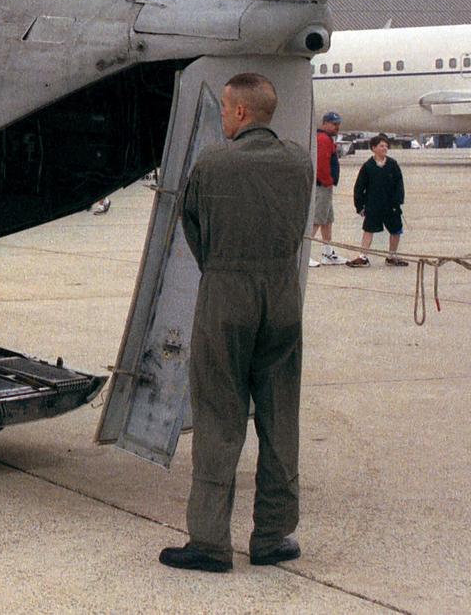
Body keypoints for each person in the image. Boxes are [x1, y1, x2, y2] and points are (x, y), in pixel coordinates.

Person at [158, 72, 308, 574]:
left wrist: (222, 267)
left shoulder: (213, 163)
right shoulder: (298, 161)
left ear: (241, 112)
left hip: (227, 289)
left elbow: (192, 223)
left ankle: (210, 541)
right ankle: (272, 535)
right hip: (284, 294)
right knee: (280, 413)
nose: (222, 115)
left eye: (225, 108)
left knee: (220, 416)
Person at [348, 136, 408, 267]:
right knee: (368, 230)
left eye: (386, 146)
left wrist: (398, 202)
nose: (384, 148)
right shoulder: (368, 166)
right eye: (381, 146)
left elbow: (399, 184)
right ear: (373, 148)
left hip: (391, 205)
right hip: (373, 205)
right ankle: (363, 257)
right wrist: (360, 206)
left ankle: (391, 256)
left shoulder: (393, 164)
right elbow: (359, 188)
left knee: (396, 230)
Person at [310, 112, 343, 266]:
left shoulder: (326, 138)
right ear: (325, 123)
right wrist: (327, 180)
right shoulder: (323, 139)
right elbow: (321, 163)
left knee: (327, 220)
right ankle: (306, 254)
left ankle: (327, 252)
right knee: (317, 218)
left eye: (338, 124)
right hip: (322, 185)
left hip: (326, 186)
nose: (337, 127)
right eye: (334, 124)